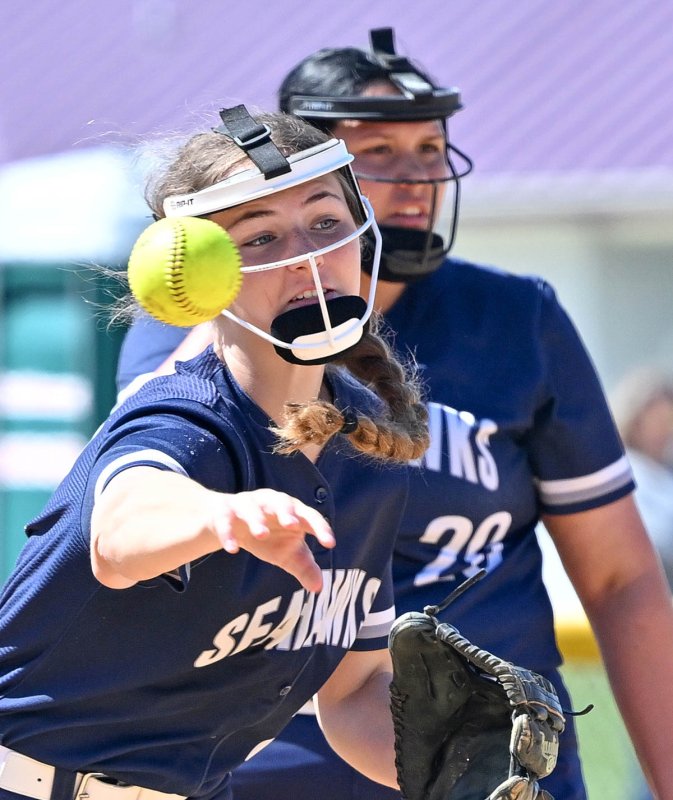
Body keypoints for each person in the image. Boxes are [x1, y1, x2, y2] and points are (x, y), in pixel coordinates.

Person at [113, 29, 673, 800]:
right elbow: (134, 510)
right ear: (309, 174)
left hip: (496, 767)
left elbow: (618, 578)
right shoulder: (207, 328)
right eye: (378, 151)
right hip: (268, 765)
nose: (417, 179)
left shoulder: (514, 319)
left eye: (429, 149)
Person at [0, 105, 432, 800]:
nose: (308, 255)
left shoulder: (362, 445)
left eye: (326, 222)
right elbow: (121, 532)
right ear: (198, 274)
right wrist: (218, 516)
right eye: (260, 236)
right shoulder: (186, 418)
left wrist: (470, 769)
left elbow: (354, 691)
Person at [612, 365, 673, 589]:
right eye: (659, 421)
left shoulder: (663, 471)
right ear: (636, 421)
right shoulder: (625, 473)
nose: (666, 432)